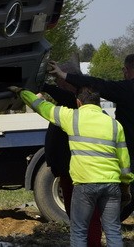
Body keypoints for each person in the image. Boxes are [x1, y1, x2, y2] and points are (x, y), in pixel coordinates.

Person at [13, 85, 131, 247]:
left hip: (85, 185)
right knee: (113, 230)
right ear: (99, 104)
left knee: (79, 231)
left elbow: (42, 107)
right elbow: (124, 161)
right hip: (111, 186)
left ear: (78, 102)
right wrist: (125, 186)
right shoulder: (114, 125)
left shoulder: (72, 118)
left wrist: (21, 92)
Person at [50, 55, 134, 220]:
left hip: (130, 154)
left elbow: (99, 84)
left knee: (114, 213)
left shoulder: (128, 89)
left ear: (126, 70)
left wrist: (63, 75)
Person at [42, 62, 102, 245]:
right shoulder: (70, 101)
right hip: (68, 170)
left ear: (69, 80)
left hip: (76, 171)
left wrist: (43, 86)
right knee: (77, 215)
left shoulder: (75, 101)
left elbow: (64, 95)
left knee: (85, 216)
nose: (57, 83)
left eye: (59, 79)